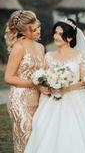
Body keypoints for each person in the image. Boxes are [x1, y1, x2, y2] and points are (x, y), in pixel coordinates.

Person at [24, 18, 85, 153]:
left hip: (75, 99)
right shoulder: (49, 56)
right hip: (52, 100)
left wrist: (67, 88)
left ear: (70, 37)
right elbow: (45, 78)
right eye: (55, 33)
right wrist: (49, 85)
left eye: (60, 34)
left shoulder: (79, 56)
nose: (56, 36)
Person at [4, 10, 49, 153]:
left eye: (38, 26)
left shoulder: (41, 47)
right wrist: (35, 84)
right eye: (34, 29)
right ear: (23, 32)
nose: (38, 31)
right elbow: (8, 77)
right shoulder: (18, 47)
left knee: (37, 139)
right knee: (25, 139)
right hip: (20, 100)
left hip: (39, 100)